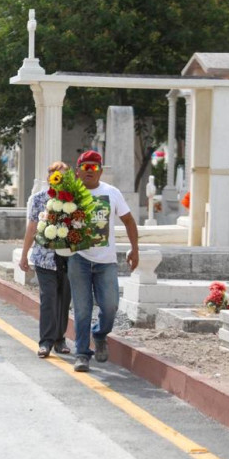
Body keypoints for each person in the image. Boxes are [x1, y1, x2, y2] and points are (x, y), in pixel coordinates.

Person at [68, 150, 139, 372]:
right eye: (85, 167)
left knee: (110, 306)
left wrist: (134, 249)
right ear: (77, 170)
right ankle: (81, 353)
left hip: (105, 261)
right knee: (82, 309)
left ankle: (99, 335)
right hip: (78, 258)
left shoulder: (112, 193)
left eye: (94, 167)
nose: (89, 172)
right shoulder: (69, 195)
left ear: (100, 171)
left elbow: (128, 220)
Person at [18, 161, 73, 359]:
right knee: (48, 299)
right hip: (44, 257)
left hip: (68, 257)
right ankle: (46, 341)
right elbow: (32, 228)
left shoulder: (73, 199)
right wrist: (25, 254)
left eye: (64, 176)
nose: (60, 179)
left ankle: (60, 339)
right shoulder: (39, 199)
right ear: (49, 177)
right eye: (57, 175)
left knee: (64, 299)